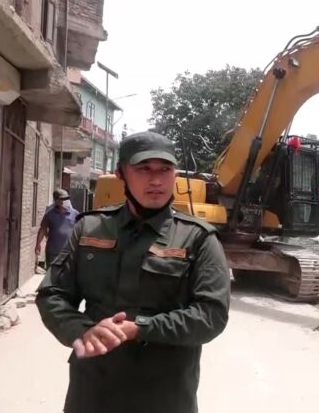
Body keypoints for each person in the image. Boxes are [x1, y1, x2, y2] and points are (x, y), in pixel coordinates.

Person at [35, 131, 231, 413]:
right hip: (92, 391)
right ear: (120, 174)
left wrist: (140, 328)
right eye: (143, 169)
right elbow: (51, 294)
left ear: (175, 175)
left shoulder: (199, 239)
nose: (156, 180)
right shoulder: (89, 229)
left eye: (165, 170)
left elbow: (212, 314)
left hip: (165, 395)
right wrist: (83, 331)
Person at [35, 189, 80, 272]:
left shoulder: (75, 214)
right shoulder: (49, 214)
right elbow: (42, 229)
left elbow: (80, 231)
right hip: (53, 252)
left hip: (69, 253)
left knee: (67, 275)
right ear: (57, 201)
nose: (65, 201)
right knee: (52, 274)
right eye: (63, 199)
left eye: (66, 198)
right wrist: (38, 244)